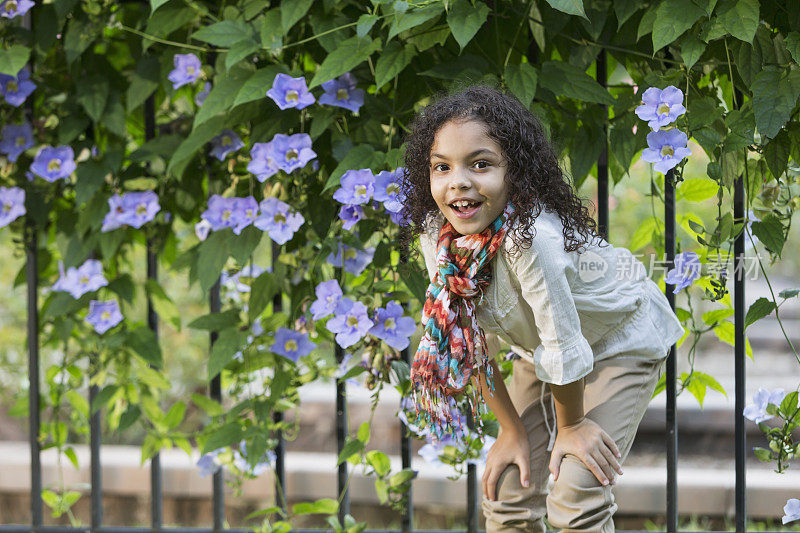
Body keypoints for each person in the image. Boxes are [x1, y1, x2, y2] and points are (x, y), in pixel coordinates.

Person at [397, 84, 685, 532]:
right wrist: (511, 430)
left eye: (481, 163)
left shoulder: (530, 238)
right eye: (441, 166)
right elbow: (467, 339)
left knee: (576, 493)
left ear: (516, 171)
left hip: (618, 339)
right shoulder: (439, 235)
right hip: (542, 352)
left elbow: (564, 342)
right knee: (507, 487)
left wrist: (571, 428)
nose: (458, 182)